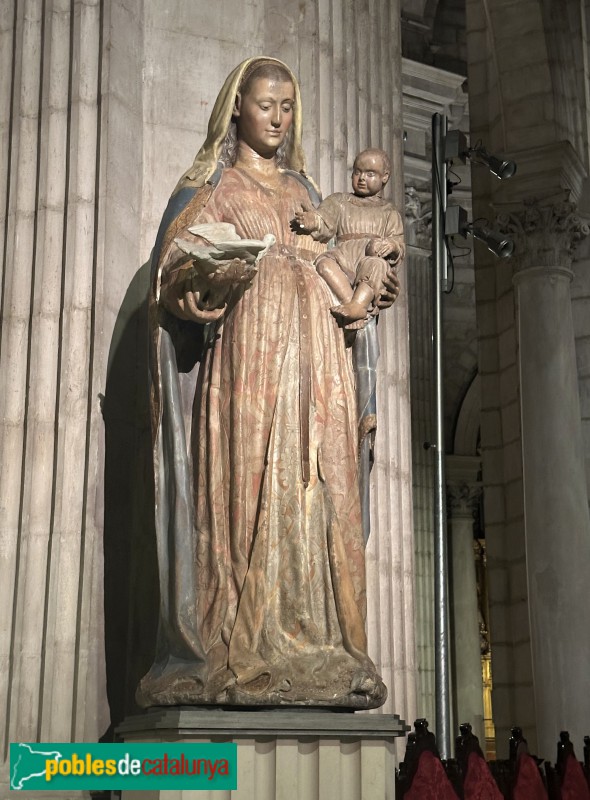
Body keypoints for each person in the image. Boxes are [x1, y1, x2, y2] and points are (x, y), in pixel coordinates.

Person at [137, 57, 399, 709]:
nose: (278, 118)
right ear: (238, 108)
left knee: (316, 490)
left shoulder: (308, 193)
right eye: (265, 105)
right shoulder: (215, 186)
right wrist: (189, 288)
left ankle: (316, 642)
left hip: (318, 361)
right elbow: (172, 270)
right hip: (249, 358)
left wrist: (369, 290)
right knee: (249, 489)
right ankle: (236, 638)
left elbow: (343, 261)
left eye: (287, 107)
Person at [293, 148, 405, 328]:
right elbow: (325, 219)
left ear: (384, 177)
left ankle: (359, 304)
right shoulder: (339, 201)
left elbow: (398, 242)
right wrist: (313, 220)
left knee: (377, 265)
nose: (362, 178)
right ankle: (351, 305)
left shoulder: (389, 212)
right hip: (343, 256)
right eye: (357, 172)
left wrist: (391, 246)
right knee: (324, 263)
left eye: (370, 174)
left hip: (370, 259)